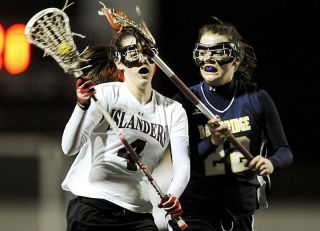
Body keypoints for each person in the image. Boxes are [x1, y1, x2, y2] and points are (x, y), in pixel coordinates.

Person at [171, 17, 293, 231]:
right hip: (196, 210)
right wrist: (212, 141)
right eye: (203, 51)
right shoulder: (184, 101)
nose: (209, 59)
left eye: (218, 52)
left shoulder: (257, 97)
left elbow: (284, 151)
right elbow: (181, 159)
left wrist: (271, 163)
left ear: (236, 59)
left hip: (241, 212)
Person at [61, 31, 190, 231]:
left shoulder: (173, 110)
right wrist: (81, 106)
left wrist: (173, 194)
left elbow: (182, 164)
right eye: (133, 54)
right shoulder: (104, 94)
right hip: (94, 208)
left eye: (148, 53)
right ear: (119, 62)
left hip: (137, 214)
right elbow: (69, 147)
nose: (142, 60)